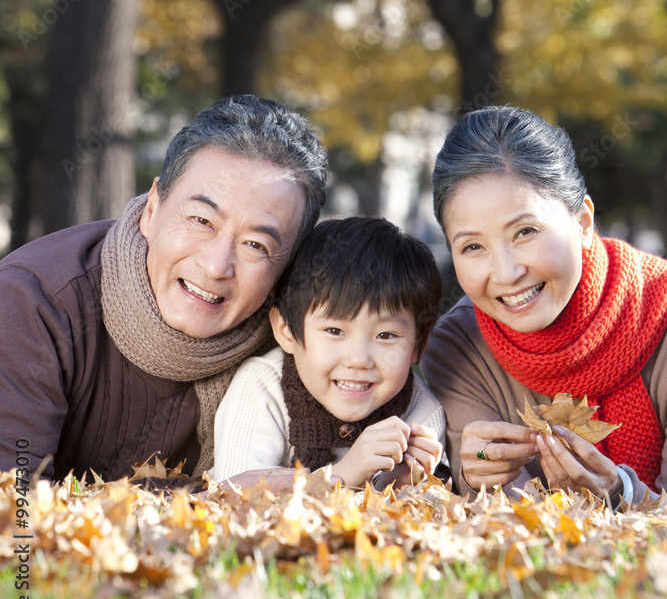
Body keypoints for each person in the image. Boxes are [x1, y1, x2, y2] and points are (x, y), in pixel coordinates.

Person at [0, 95, 327, 483]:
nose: (215, 265)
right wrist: (222, 497)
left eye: (257, 245)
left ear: (288, 266)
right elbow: (14, 509)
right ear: (152, 209)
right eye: (201, 219)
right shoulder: (33, 300)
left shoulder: (299, 341)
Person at [421, 105, 667, 506]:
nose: (505, 272)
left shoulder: (660, 309)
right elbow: (503, 526)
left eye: (525, 232)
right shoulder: (458, 347)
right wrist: (476, 475)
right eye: (472, 246)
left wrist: (622, 492)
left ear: (583, 223)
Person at [212, 216, 448, 489]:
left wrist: (397, 484)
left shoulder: (421, 411)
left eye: (386, 335)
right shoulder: (263, 386)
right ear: (286, 330)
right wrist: (343, 475)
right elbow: (233, 494)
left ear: (418, 344)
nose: (358, 359)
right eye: (335, 331)